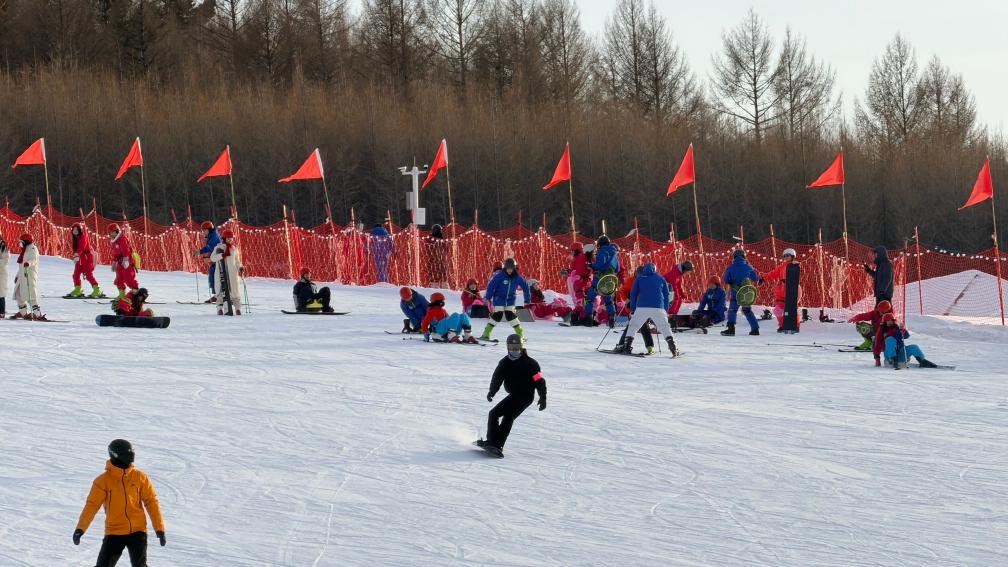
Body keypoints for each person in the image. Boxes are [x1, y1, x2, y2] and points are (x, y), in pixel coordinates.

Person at [74, 439, 166, 567]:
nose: (131, 459)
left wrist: (159, 528)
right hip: (114, 531)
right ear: (116, 456)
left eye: (132, 454)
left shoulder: (140, 477)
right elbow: (92, 506)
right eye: (128, 455)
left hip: (138, 530)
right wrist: (80, 528)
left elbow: (151, 502)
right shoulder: (103, 481)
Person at [476, 334, 547, 456]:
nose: (514, 350)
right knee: (493, 414)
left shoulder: (531, 364)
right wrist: (492, 391)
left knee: (509, 416)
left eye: (517, 347)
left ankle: (498, 444)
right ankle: (491, 441)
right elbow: (497, 378)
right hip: (514, 395)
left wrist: (543, 397)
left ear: (521, 347)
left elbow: (539, 381)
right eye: (512, 347)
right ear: (507, 347)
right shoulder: (504, 362)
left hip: (526, 396)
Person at [618, 263, 678, 356]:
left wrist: (633, 308)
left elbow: (633, 294)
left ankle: (626, 347)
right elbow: (666, 295)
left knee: (633, 326)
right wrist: (665, 309)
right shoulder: (661, 278)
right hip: (658, 307)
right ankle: (673, 348)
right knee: (664, 327)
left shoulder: (639, 278)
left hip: (642, 307)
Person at [479, 258, 531, 342]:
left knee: (510, 316)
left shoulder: (517, 277)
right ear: (505, 268)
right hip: (499, 298)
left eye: (511, 268)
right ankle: (486, 333)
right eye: (508, 268)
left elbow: (526, 287)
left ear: (514, 268)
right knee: (498, 315)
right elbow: (491, 286)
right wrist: (488, 297)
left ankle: (520, 334)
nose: (509, 270)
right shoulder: (500, 276)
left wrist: (527, 300)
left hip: (510, 299)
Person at [613, 266, 655, 353]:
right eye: (638, 275)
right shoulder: (630, 281)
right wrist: (626, 299)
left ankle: (623, 345)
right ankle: (648, 346)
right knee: (635, 327)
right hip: (632, 307)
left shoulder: (647, 281)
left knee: (641, 327)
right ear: (635, 273)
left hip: (642, 307)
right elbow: (622, 291)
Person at [720, 249, 761, 336]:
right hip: (746, 293)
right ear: (744, 256)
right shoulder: (748, 267)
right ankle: (755, 329)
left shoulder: (730, 267)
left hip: (735, 293)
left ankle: (731, 329)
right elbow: (755, 278)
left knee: (732, 310)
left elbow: (725, 279)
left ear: (734, 257)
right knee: (747, 310)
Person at [584, 235, 620, 327]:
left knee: (589, 298)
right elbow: (617, 269)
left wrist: (591, 266)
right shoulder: (614, 253)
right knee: (608, 300)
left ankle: (588, 318)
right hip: (610, 281)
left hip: (599, 279)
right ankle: (612, 318)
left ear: (600, 244)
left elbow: (600, 264)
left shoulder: (602, 251)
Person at [763, 248, 800, 332]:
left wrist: (797, 264)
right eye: (784, 256)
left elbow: (798, 271)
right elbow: (773, 273)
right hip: (781, 290)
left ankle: (796, 325)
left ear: (793, 256)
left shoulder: (795, 266)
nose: (786, 257)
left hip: (791, 290)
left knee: (792, 309)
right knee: (777, 310)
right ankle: (782, 325)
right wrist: (763, 278)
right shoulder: (782, 266)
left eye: (788, 255)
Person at [209, 229, 245, 315]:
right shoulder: (219, 247)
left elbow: (237, 261)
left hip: (232, 273)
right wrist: (222, 255)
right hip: (220, 272)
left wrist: (240, 267)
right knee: (220, 290)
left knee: (235, 290)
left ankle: (237, 308)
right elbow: (212, 258)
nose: (230, 239)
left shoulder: (234, 249)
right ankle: (219, 308)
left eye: (231, 238)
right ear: (224, 238)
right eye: (228, 238)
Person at [12, 233, 43, 320]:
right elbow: (21, 265)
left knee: (31, 296)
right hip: (22, 276)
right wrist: (17, 275)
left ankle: (37, 314)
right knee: (18, 294)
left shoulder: (33, 249)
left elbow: (33, 259)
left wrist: (28, 263)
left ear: (27, 242)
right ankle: (23, 312)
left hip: (29, 276)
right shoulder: (25, 250)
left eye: (21, 242)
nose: (20, 244)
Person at [69, 223, 103, 298]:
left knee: (88, 275)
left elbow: (82, 247)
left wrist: (77, 254)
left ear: (80, 230)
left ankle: (97, 289)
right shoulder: (75, 238)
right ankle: (78, 289)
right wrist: (75, 256)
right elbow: (76, 250)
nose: (75, 231)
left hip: (87, 258)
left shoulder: (83, 237)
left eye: (76, 229)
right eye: (73, 230)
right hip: (80, 259)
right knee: (75, 275)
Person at [108, 224, 139, 300]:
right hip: (119, 262)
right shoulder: (114, 241)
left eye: (113, 232)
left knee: (129, 279)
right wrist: (114, 262)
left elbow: (126, 250)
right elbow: (115, 253)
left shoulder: (122, 239)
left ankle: (136, 294)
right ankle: (122, 294)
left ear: (117, 231)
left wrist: (126, 259)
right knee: (119, 279)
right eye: (110, 232)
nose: (111, 234)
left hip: (127, 261)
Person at [197, 221, 221, 303]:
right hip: (215, 259)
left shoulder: (214, 237)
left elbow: (211, 248)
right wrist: (201, 252)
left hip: (219, 260)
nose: (203, 232)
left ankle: (221, 296)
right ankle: (217, 295)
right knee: (213, 277)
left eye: (205, 230)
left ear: (209, 229)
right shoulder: (211, 236)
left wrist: (206, 256)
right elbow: (210, 248)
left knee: (217, 278)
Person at [426, 224, 449, 288]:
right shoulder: (442, 240)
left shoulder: (429, 239)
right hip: (439, 262)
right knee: (442, 281)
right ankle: (445, 292)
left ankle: (437, 290)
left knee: (436, 281)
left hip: (435, 262)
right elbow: (447, 250)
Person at [0, 238, 8, 317]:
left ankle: (1, 312)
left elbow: (6, 260)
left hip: (1, 272)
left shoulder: (3, 246)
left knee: (1, 292)